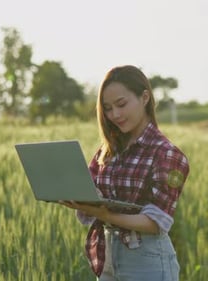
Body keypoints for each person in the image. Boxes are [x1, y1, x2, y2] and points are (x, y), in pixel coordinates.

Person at [60, 65, 189, 281]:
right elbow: (90, 188)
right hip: (108, 256)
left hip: (147, 260)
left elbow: (155, 222)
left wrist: (105, 215)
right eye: (108, 108)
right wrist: (75, 194)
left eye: (121, 104)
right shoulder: (107, 151)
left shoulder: (167, 153)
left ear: (144, 97)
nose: (114, 115)